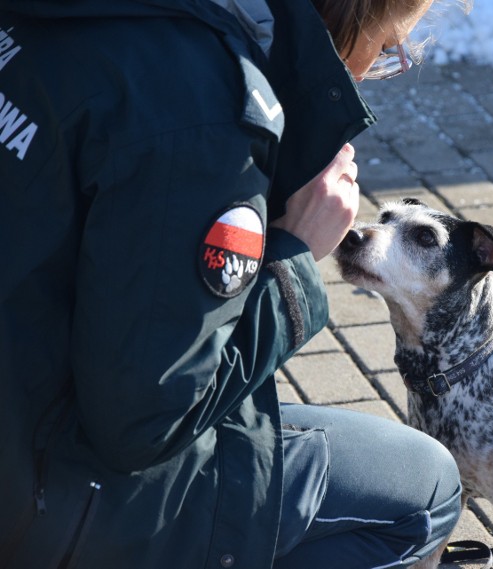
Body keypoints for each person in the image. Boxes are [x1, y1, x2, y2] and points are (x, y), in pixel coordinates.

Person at [0, 0, 465, 567]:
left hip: (25, 415)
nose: (372, 70)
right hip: (50, 494)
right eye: (389, 47)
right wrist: (293, 254)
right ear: (352, 13)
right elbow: (145, 423)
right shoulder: (204, 108)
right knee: (424, 487)